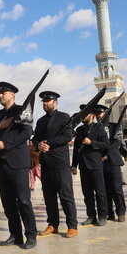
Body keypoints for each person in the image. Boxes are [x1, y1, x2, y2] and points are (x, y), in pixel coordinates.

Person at [0, 81, 37, 250]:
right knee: (8, 203)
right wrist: (0, 126)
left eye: (4, 93)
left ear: (12, 95)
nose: (1, 96)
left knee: (23, 201)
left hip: (18, 163)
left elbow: (27, 133)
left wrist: (5, 144)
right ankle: (15, 235)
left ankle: (31, 235)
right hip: (2, 163)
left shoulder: (21, 112)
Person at [32, 91, 78, 236]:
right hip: (45, 163)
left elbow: (67, 136)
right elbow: (35, 138)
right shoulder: (40, 121)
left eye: (48, 101)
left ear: (55, 102)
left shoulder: (63, 117)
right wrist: (39, 145)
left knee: (65, 195)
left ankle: (72, 226)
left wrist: (49, 143)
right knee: (49, 196)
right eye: (44, 102)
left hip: (60, 163)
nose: (45, 103)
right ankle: (53, 224)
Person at [72, 105, 109, 225]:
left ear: (92, 115)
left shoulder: (99, 128)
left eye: (85, 114)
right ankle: (91, 216)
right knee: (87, 193)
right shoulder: (80, 130)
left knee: (100, 192)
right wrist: (74, 165)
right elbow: (76, 149)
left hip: (95, 165)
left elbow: (106, 145)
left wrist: (91, 143)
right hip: (83, 165)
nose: (82, 116)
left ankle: (103, 216)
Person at [95, 105, 126, 222]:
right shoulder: (95, 128)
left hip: (113, 161)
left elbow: (117, 142)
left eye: (100, 113)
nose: (98, 116)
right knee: (105, 190)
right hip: (100, 162)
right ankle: (109, 213)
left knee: (116, 188)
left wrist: (107, 154)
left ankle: (121, 212)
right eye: (97, 114)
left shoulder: (115, 126)